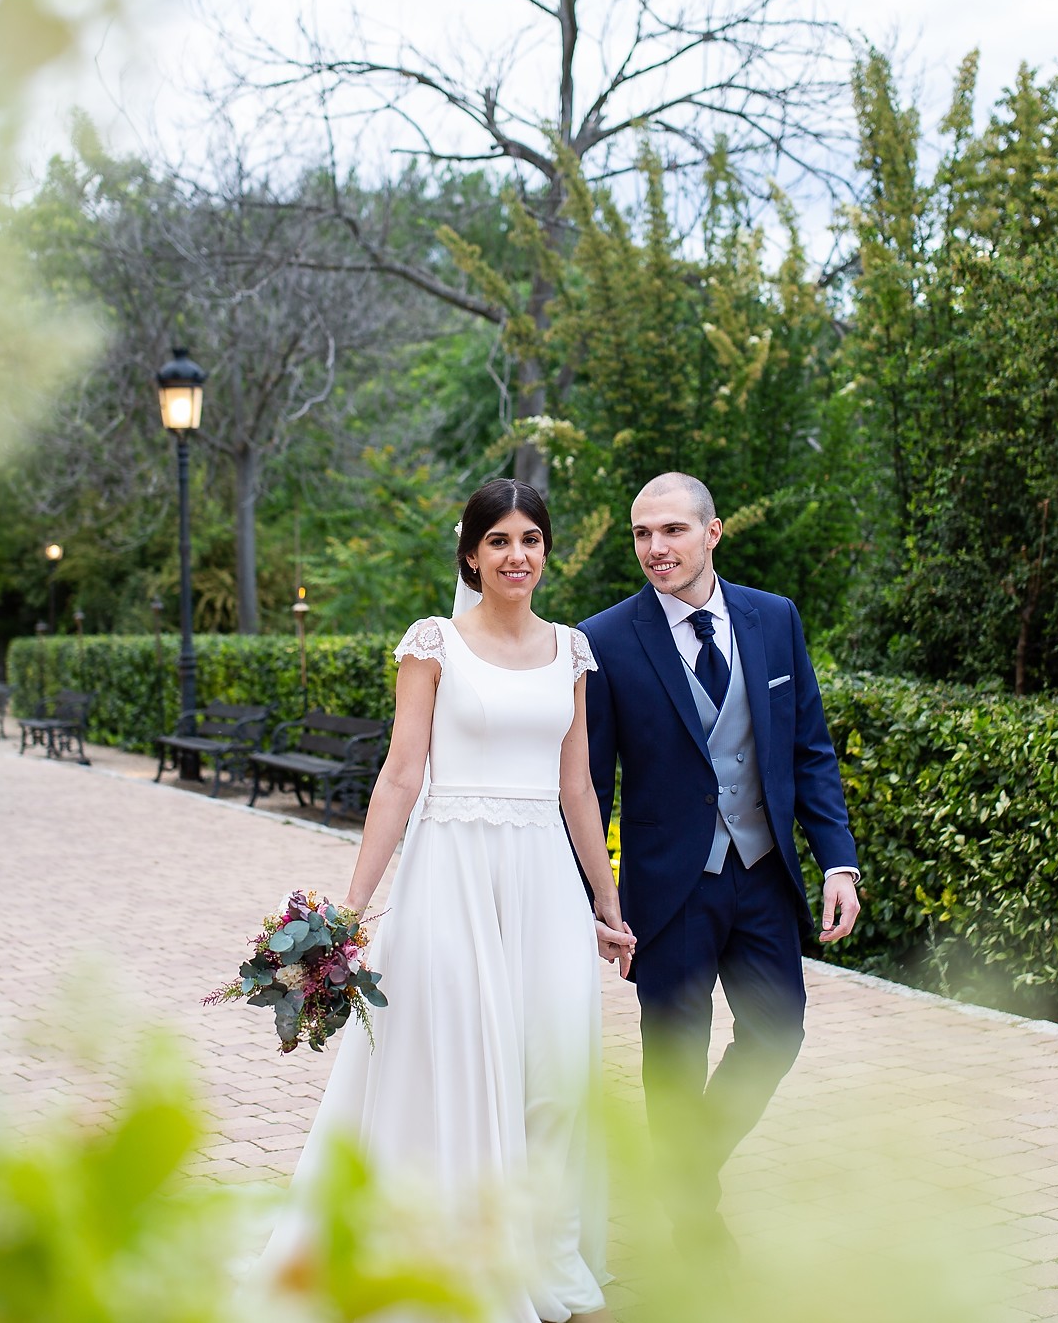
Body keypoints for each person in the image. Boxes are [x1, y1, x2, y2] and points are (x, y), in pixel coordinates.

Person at [260, 478, 634, 1323]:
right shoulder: (434, 644)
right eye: (498, 540)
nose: (516, 555)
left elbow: (578, 787)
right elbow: (401, 775)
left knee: (554, 1073)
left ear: (547, 551)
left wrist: (606, 908)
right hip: (452, 874)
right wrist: (349, 910)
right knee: (470, 1064)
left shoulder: (572, 651)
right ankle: (466, 1262)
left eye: (530, 539)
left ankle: (554, 1262)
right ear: (471, 554)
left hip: (544, 879)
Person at [579, 471, 863, 1256]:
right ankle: (695, 1224)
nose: (655, 547)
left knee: (778, 1032)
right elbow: (589, 785)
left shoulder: (775, 618)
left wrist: (839, 863)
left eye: (672, 529)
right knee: (674, 1058)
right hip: (667, 888)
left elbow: (810, 749)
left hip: (762, 872)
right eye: (642, 533)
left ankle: (682, 1168)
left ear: (713, 532)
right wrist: (596, 897)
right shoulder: (603, 639)